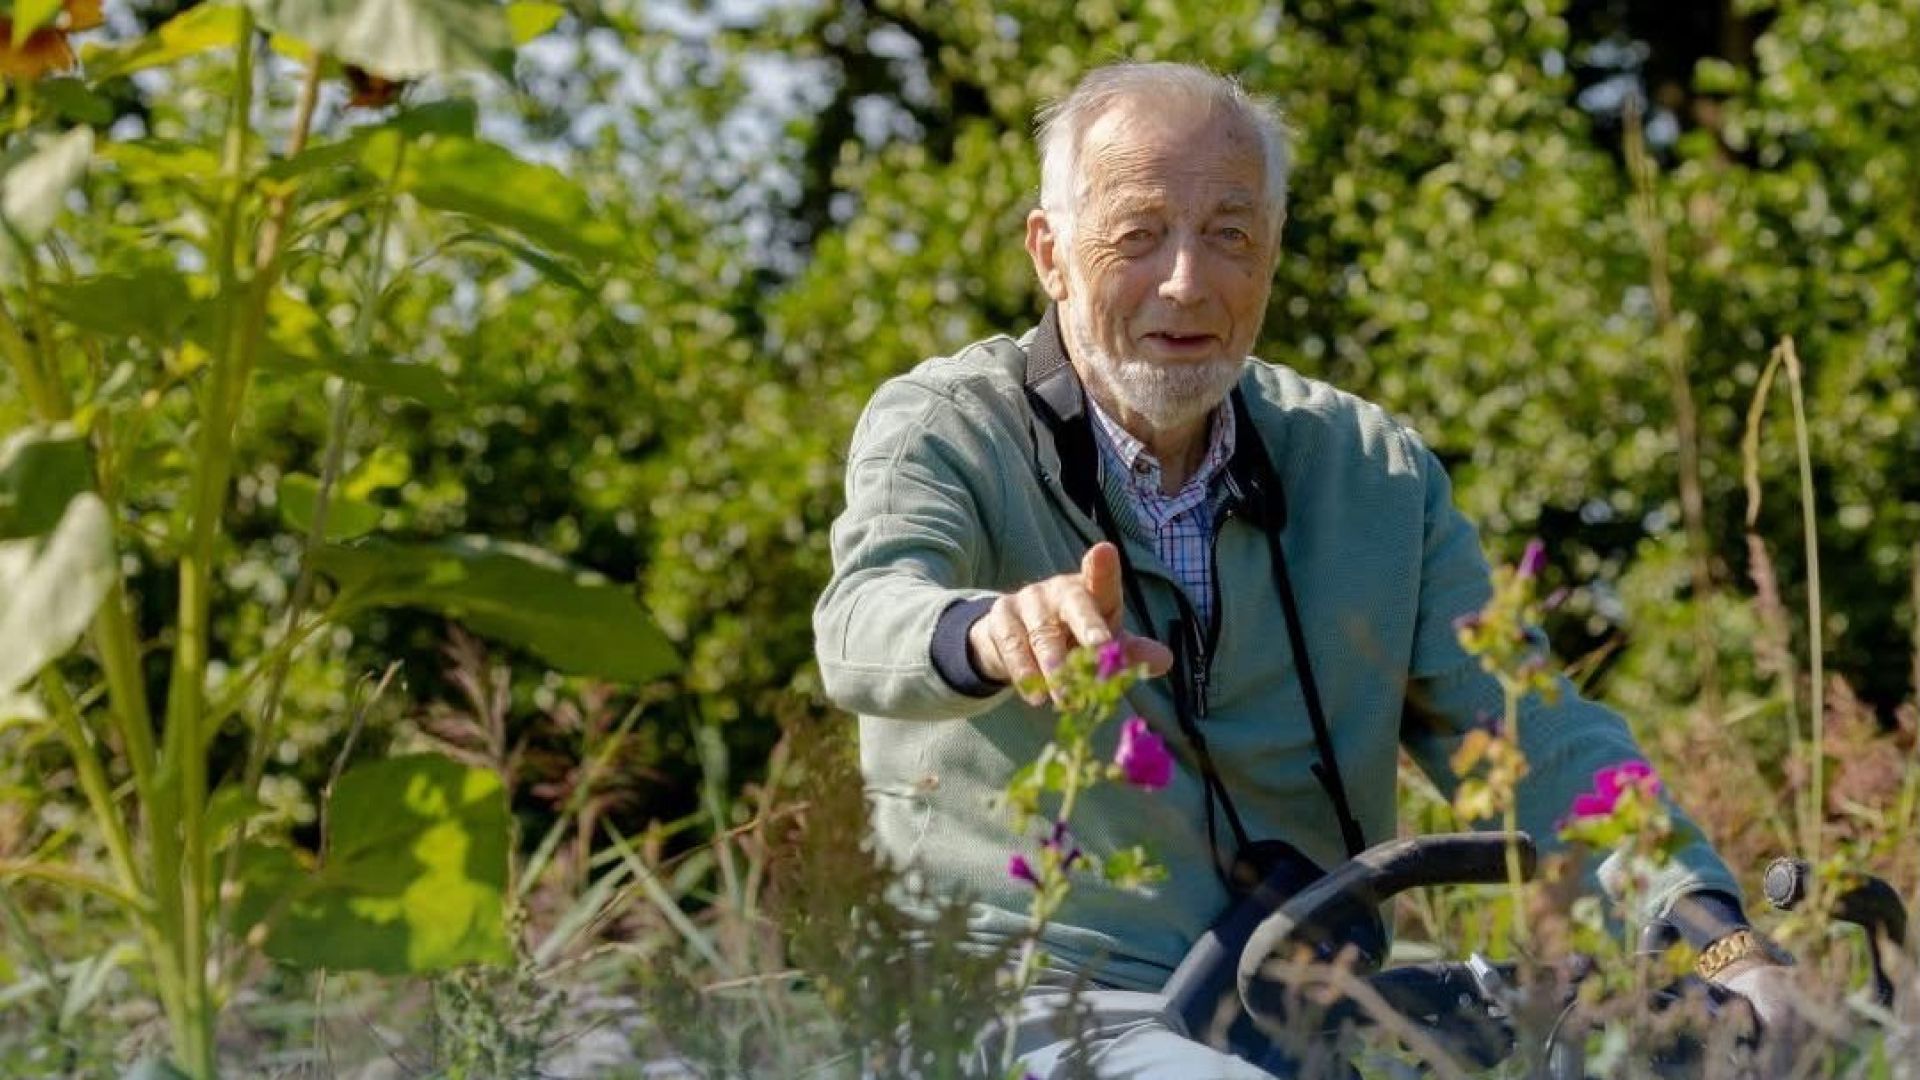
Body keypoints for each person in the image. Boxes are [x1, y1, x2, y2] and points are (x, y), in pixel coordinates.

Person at [812, 61, 1798, 1077]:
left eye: (1229, 235)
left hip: (1301, 1003)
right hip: (1017, 1000)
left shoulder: (1373, 468)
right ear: (1050, 252)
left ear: (1272, 253)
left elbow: (1536, 736)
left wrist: (1723, 942)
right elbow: (862, 619)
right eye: (1138, 234)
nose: (1187, 280)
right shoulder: (946, 427)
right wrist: (985, 632)